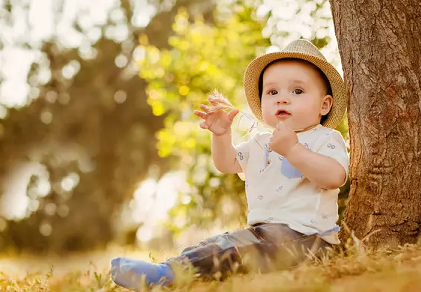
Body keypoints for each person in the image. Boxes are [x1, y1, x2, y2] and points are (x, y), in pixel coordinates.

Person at [110, 39, 349, 291]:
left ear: (325, 104)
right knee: (219, 244)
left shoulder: (324, 138)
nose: (282, 100)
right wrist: (221, 135)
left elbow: (334, 176)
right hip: (264, 234)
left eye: (297, 91)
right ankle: (173, 269)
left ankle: (167, 274)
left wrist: (293, 150)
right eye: (272, 92)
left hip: (308, 239)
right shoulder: (261, 142)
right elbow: (228, 163)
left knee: (236, 248)